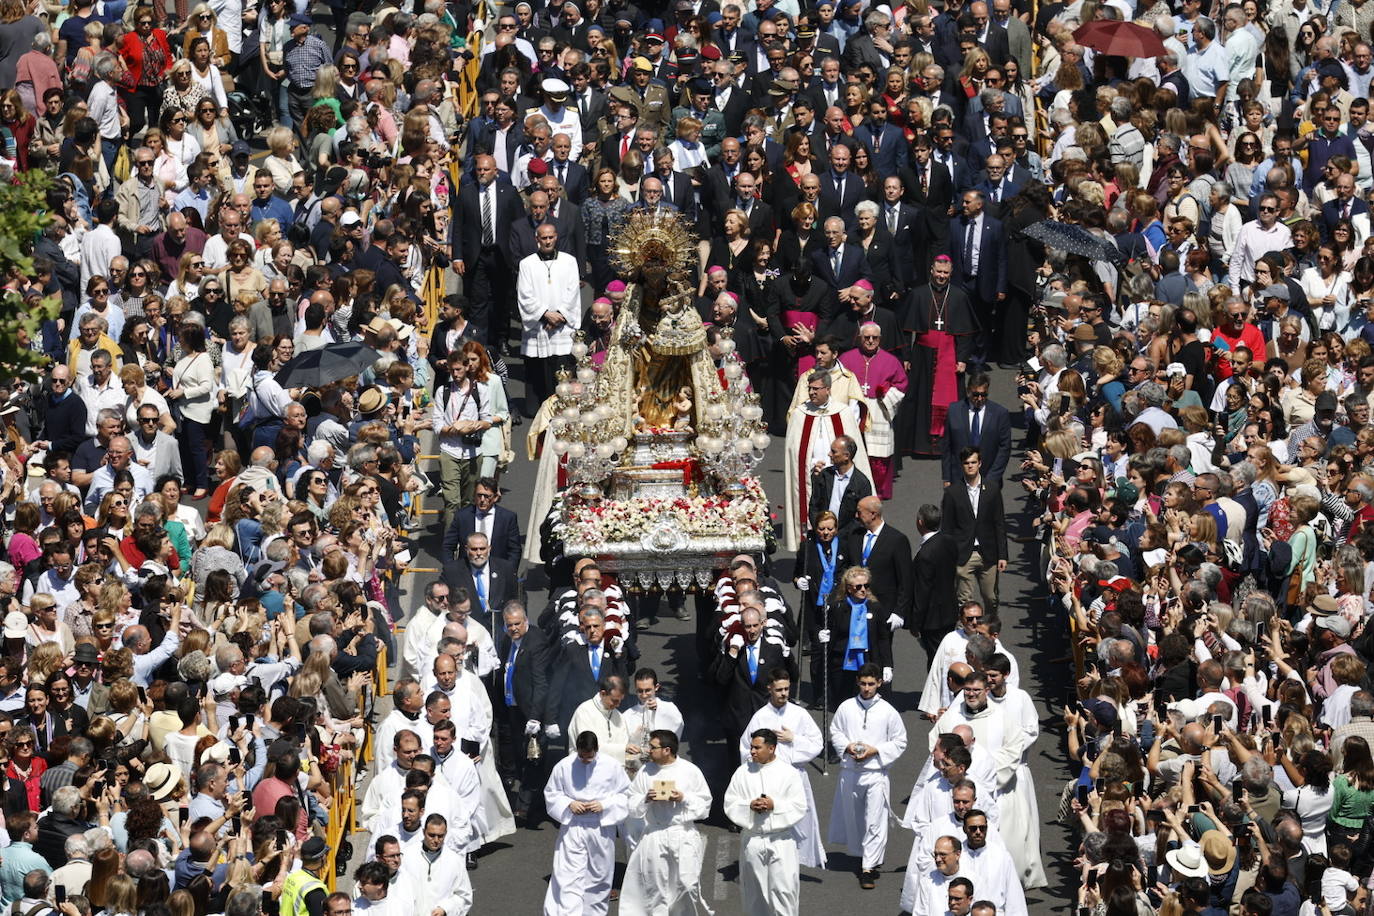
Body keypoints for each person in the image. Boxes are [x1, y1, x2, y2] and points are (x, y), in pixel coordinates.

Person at [827, 663, 908, 889]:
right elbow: (836, 731)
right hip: (851, 772)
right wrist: (847, 746)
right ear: (857, 682)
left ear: (879, 683)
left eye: (871, 684)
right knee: (855, 818)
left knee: (875, 819)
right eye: (863, 683)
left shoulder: (888, 711)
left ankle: (868, 867)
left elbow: (900, 741)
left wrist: (876, 751)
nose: (866, 688)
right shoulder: (846, 707)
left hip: (875, 773)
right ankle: (861, 854)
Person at [738, 668, 827, 870]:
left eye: (787, 689)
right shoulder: (760, 717)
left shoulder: (799, 714)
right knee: (772, 820)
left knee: (799, 819)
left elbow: (817, 742)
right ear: (770, 688)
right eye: (779, 689)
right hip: (769, 779)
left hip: (795, 776)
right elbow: (745, 747)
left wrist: (793, 739)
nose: (784, 693)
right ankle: (770, 860)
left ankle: (795, 861)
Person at [619, 730, 713, 913]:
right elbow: (630, 801)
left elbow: (705, 804)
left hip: (682, 834)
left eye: (653, 747)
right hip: (654, 835)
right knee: (655, 888)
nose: (648, 751)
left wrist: (683, 798)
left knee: (687, 885)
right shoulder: (646, 771)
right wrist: (646, 799)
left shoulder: (689, 771)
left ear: (667, 750)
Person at [783, 368, 872, 551]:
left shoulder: (843, 412)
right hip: (812, 480)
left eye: (816, 388)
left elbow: (855, 451)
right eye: (810, 388)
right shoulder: (800, 414)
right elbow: (793, 454)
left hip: (839, 479)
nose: (812, 392)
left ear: (828, 389)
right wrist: (810, 467)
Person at [542, 731, 630, 915]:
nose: (584, 761)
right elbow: (552, 792)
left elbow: (625, 794)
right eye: (581, 756)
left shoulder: (612, 766)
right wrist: (569, 803)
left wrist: (604, 805)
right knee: (568, 873)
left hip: (601, 827)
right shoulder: (564, 766)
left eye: (589, 757)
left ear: (596, 750)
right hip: (573, 825)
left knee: (599, 875)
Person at [724, 729, 808, 916]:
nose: (752, 751)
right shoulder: (742, 772)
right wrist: (749, 805)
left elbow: (799, 805)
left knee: (784, 892)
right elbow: (730, 802)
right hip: (753, 839)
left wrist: (774, 805)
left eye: (757, 747)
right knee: (755, 894)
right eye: (751, 747)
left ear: (771, 748)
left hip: (780, 841)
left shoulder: (788, 773)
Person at [838, 322, 908, 498]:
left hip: (879, 408)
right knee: (850, 447)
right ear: (860, 338)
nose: (870, 341)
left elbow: (902, 384)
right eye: (866, 337)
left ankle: (876, 489)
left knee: (877, 454)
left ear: (880, 339)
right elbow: (837, 381)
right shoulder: (846, 358)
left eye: (874, 338)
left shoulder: (891, 361)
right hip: (853, 407)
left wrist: (885, 392)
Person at [940, 447, 1008, 614]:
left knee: (990, 597)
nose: (970, 466)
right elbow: (947, 528)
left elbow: (999, 523)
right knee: (964, 600)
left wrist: (1003, 555)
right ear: (962, 465)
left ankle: (990, 629)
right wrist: (949, 556)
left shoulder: (992, 489)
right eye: (966, 463)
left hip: (988, 553)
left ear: (980, 464)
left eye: (973, 462)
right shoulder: (952, 492)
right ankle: (967, 634)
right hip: (963, 553)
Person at [940, 373, 1012, 484]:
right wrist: (947, 477)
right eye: (975, 394)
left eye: (983, 394)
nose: (979, 398)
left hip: (988, 478)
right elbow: (947, 446)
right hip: (959, 479)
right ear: (968, 391)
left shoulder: (1000, 413)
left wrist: (992, 478)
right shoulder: (954, 410)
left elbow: (1004, 449)